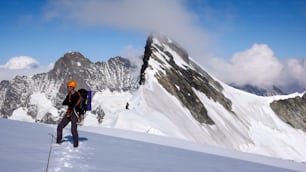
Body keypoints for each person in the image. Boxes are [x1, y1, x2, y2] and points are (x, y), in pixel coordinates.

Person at [56, 80, 81, 147]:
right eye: (68, 86)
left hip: (75, 114)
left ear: (73, 87)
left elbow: (72, 105)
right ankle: (58, 141)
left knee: (73, 130)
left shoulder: (77, 95)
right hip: (69, 113)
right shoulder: (69, 94)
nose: (68, 87)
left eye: (69, 86)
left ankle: (76, 145)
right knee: (60, 127)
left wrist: (69, 103)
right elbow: (64, 102)